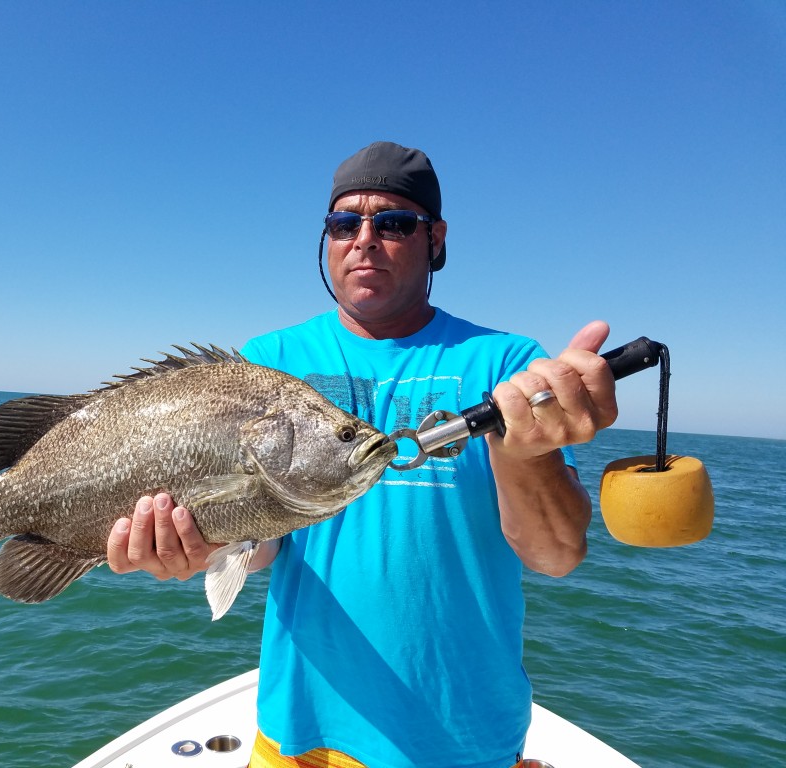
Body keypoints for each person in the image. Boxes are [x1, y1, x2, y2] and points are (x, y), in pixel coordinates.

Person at [106, 141, 617, 768]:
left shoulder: (506, 366)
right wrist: (197, 546)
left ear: (436, 239)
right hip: (297, 734)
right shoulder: (268, 361)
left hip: (462, 741)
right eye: (345, 223)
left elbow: (556, 555)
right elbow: (263, 544)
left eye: (394, 222)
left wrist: (525, 455)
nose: (365, 239)